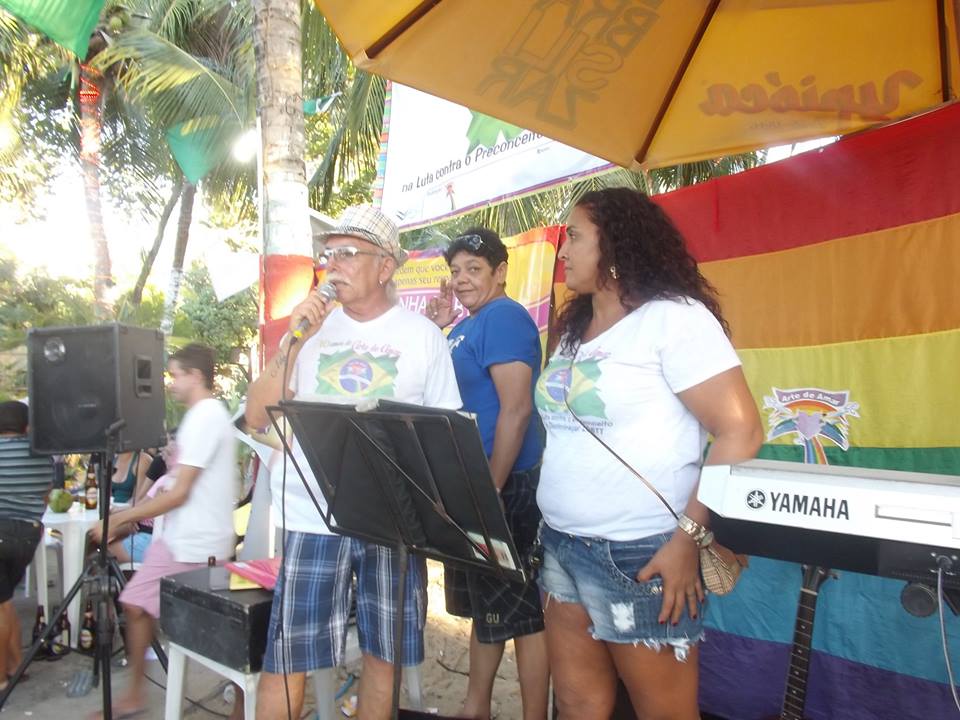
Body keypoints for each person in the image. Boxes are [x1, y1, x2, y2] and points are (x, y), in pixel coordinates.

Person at [534, 188, 763, 720]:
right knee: (576, 704)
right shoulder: (574, 329)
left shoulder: (675, 320)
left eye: (575, 237)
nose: (563, 251)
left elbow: (741, 431)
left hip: (641, 555)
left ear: (615, 244)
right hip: (562, 544)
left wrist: (688, 538)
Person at [245, 205, 461, 720]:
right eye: (329, 254)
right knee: (288, 656)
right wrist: (291, 341)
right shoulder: (308, 331)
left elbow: (445, 436)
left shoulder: (423, 337)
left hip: (393, 519)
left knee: (383, 655)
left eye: (347, 253)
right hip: (312, 515)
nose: (333, 265)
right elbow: (255, 415)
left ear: (385, 266)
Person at [426, 228, 549, 720]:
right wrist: (438, 328)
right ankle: (475, 706)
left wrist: (492, 487)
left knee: (523, 610)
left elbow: (516, 409)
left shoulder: (503, 317)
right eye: (455, 270)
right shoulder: (470, 323)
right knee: (491, 604)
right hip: (478, 482)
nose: (461, 279)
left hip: (505, 483)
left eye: (473, 269)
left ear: (500, 272)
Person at [91, 344, 238, 719]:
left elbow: (180, 492)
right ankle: (136, 695)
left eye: (176, 375)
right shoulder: (199, 417)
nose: (171, 383)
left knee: (220, 632)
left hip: (196, 542)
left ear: (196, 376)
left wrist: (120, 520)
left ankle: (244, 704)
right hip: (180, 539)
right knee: (138, 605)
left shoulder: (206, 416)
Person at [0, 401, 53, 690]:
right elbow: (45, 497)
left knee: (2, 606)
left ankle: (0, 680)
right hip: (28, 536)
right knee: (5, 602)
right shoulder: (42, 456)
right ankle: (16, 665)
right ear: (27, 427)